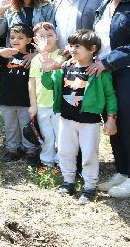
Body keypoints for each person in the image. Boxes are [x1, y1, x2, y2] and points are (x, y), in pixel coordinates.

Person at [38, 30, 117, 204]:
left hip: (89, 122)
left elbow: (110, 96)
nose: (72, 49)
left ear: (93, 48)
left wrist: (111, 118)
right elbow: (49, 84)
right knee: (66, 151)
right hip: (66, 119)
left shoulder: (99, 71)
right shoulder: (66, 67)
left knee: (89, 154)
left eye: (77, 46)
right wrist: (45, 71)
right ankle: (68, 182)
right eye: (71, 45)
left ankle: (89, 186)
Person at [91, 0, 130, 199]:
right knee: (111, 121)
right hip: (104, 72)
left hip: (125, 71)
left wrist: (107, 61)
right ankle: (122, 170)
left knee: (127, 121)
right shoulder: (105, 3)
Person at [0, 24, 36, 162]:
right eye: (12, 37)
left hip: (26, 100)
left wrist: (34, 55)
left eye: (20, 37)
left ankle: (30, 150)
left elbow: (46, 53)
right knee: (10, 126)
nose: (16, 40)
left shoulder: (32, 55)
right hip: (7, 99)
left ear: (29, 39)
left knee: (27, 126)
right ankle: (12, 149)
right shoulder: (6, 52)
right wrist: (0, 52)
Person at [28, 22, 63, 168]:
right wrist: (33, 105)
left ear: (57, 37)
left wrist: (43, 53)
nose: (46, 39)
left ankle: (61, 163)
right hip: (42, 104)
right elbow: (32, 82)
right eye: (41, 36)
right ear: (35, 40)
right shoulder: (35, 60)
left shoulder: (62, 55)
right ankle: (47, 162)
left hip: (58, 105)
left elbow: (54, 66)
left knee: (61, 136)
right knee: (47, 136)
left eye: (49, 35)